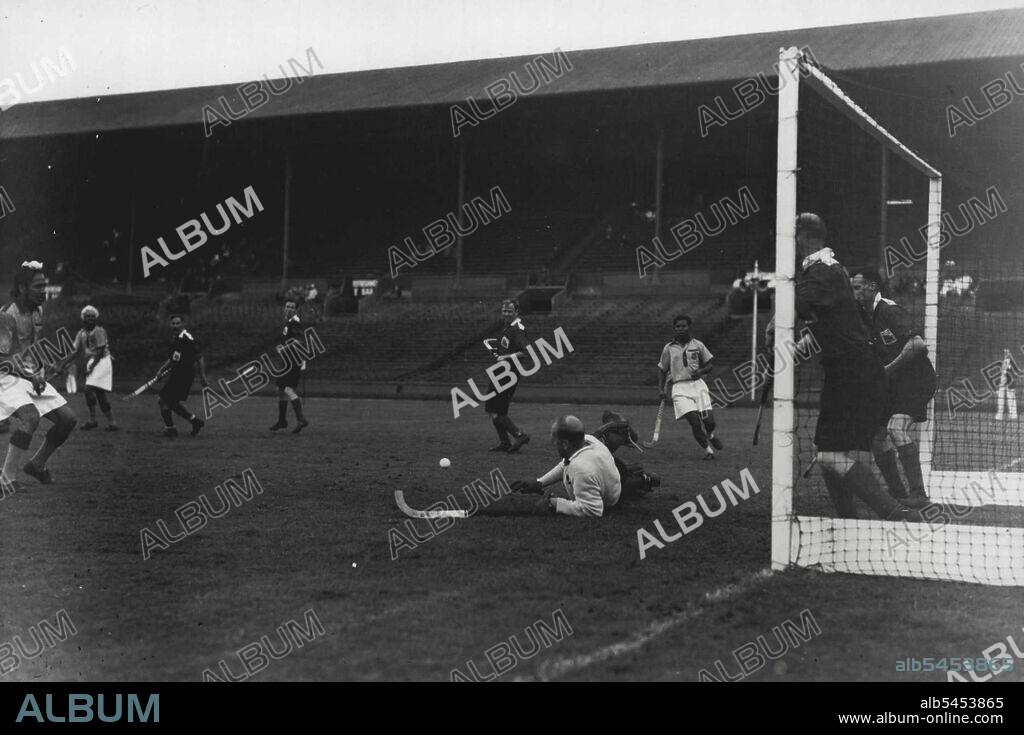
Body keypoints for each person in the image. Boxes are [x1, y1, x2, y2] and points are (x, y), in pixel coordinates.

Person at [793, 213, 920, 522]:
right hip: (849, 372)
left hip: (851, 374)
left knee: (830, 454)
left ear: (804, 237)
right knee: (827, 455)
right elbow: (823, 320)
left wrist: (777, 319)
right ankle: (848, 519)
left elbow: (798, 306)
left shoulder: (823, 270)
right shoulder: (827, 270)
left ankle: (894, 511)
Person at [851, 269, 936, 508]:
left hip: (916, 380)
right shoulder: (862, 316)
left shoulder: (889, 311)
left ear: (872, 288)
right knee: (878, 438)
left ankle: (919, 494)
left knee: (896, 429)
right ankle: (897, 494)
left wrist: (887, 369)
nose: (853, 293)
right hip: (894, 384)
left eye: (857, 287)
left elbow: (917, 344)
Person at [0, 261, 79, 488]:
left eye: (44, 286)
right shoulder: (7, 315)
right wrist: (29, 374)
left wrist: (47, 366)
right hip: (5, 375)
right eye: (38, 286)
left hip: (25, 374)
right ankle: (6, 478)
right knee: (30, 416)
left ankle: (37, 465)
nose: (43, 291)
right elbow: (3, 358)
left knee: (67, 420)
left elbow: (29, 348)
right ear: (23, 288)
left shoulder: (38, 312)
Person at [511, 415, 622, 517]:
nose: (553, 444)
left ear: (565, 444)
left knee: (630, 478)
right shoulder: (588, 440)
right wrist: (540, 482)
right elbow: (565, 464)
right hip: (609, 476)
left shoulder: (580, 468)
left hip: (610, 493)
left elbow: (593, 509)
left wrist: (555, 503)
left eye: (555, 440)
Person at [657, 314, 723, 460]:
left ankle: (710, 434)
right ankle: (708, 450)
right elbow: (662, 369)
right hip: (679, 388)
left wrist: (701, 371)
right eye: (678, 326)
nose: (681, 329)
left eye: (684, 326)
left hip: (698, 386)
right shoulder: (668, 348)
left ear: (689, 327)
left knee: (709, 421)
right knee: (694, 421)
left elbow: (710, 364)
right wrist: (661, 390)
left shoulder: (698, 345)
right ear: (674, 328)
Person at [152, 314, 209, 437]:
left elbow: (199, 356)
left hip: (184, 375)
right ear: (169, 324)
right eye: (173, 323)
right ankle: (194, 422)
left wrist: (203, 376)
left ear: (183, 324)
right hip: (177, 374)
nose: (175, 326)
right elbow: (173, 359)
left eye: (178, 323)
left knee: (163, 400)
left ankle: (171, 429)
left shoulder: (186, 338)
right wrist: (161, 370)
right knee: (171, 402)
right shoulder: (175, 338)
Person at [486, 299, 530, 453]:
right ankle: (505, 442)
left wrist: (503, 358)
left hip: (508, 373)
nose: (506, 314)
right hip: (501, 371)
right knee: (496, 410)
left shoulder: (517, 328)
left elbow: (526, 351)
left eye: (509, 311)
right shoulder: (509, 328)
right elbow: (509, 348)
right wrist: (498, 353)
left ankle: (520, 435)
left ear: (516, 312)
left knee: (493, 409)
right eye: (504, 311)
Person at [72, 305, 118, 431]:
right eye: (87, 316)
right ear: (83, 318)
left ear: (96, 318)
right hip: (93, 362)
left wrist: (92, 366)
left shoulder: (99, 331)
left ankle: (93, 420)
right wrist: (62, 365)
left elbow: (100, 350)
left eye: (92, 316)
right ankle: (111, 422)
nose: (90, 318)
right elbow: (75, 351)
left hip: (102, 361)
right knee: (99, 394)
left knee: (88, 389)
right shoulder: (81, 333)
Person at [268, 299, 309, 434]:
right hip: (287, 362)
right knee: (280, 389)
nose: (288, 309)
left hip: (293, 361)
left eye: (291, 307)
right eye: (286, 306)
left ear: (296, 310)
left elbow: (300, 340)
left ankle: (301, 419)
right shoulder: (289, 323)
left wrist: (285, 347)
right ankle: (282, 420)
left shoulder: (295, 322)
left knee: (287, 389)